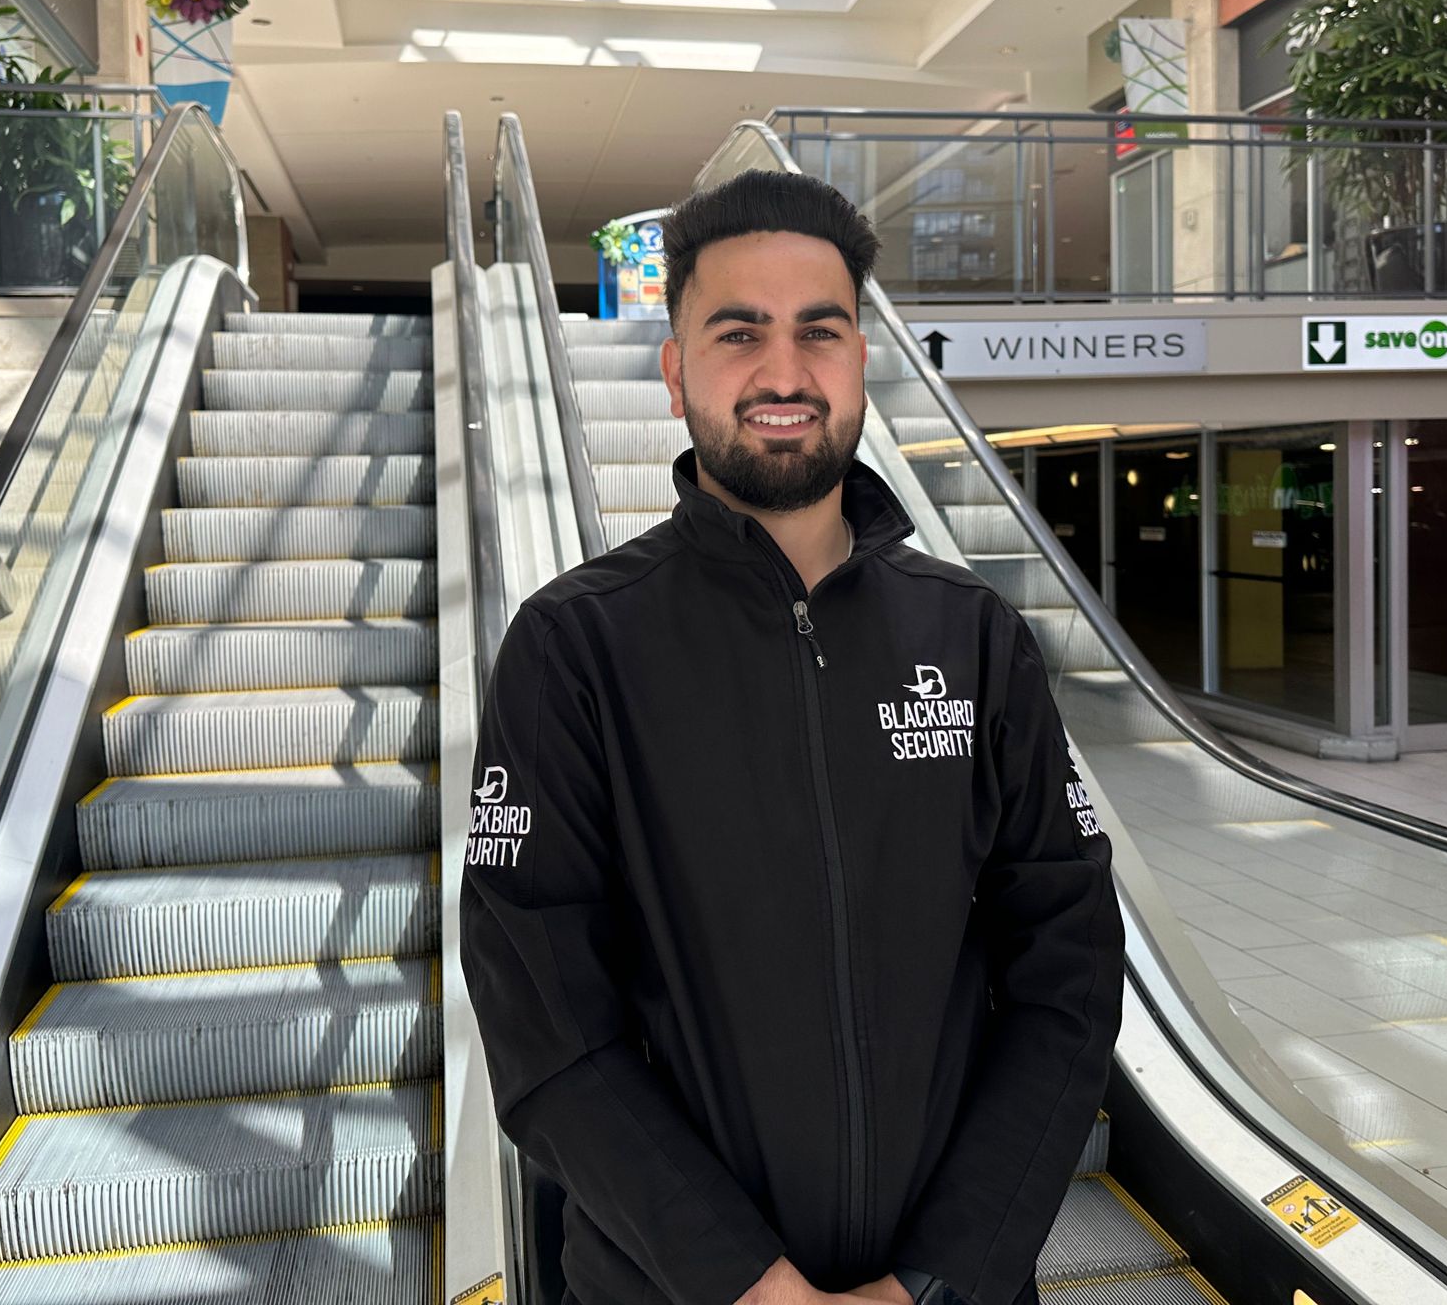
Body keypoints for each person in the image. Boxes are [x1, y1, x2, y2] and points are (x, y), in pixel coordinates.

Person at [460, 169, 1123, 1305]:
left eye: (819, 330)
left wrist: (938, 1279)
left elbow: (1066, 978)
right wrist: (748, 1284)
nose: (782, 372)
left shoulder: (972, 637)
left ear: (860, 358)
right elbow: (545, 1023)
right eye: (738, 334)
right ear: (676, 372)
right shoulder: (574, 648)